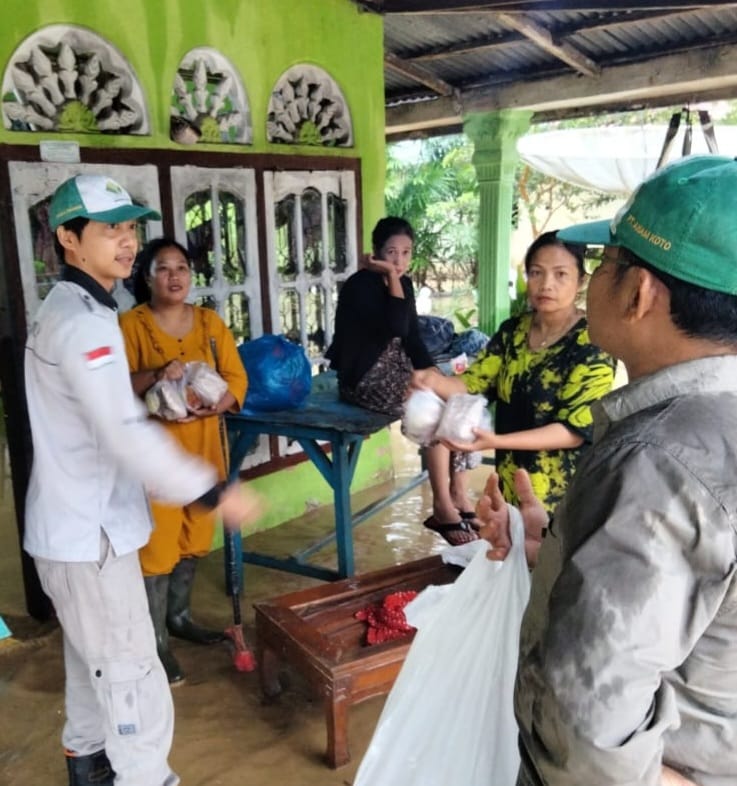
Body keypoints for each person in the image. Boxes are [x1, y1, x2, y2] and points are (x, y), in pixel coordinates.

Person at [478, 155, 737, 786]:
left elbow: (588, 733)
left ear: (639, 292)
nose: (586, 280)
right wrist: (556, 547)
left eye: (602, 264)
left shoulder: (658, 459)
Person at [23, 174, 262, 786]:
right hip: (90, 534)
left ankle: (88, 765)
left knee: (92, 665)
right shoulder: (86, 326)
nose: (127, 242)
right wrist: (212, 490)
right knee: (133, 677)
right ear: (70, 239)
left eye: (130, 227)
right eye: (110, 230)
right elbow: (125, 432)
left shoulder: (76, 307)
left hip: (74, 529)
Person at [412, 231, 615, 545]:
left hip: (563, 495)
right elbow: (474, 383)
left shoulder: (593, 343)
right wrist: (431, 381)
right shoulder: (513, 333)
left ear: (581, 281)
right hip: (511, 486)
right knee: (508, 569)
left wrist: (495, 440)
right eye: (537, 272)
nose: (546, 284)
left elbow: (574, 430)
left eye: (561, 274)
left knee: (549, 579)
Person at [119, 238, 248, 685]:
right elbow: (115, 385)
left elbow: (236, 378)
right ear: (146, 276)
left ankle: (180, 617)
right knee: (158, 548)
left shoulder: (211, 325)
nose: (174, 277)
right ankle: (156, 642)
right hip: (155, 458)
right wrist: (157, 375)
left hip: (203, 449)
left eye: (181, 268)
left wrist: (218, 402)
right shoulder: (130, 326)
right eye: (163, 268)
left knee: (195, 538)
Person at [325, 216, 434, 416]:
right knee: (430, 411)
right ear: (376, 252)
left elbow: (412, 337)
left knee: (447, 400)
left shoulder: (405, 284)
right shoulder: (360, 286)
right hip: (363, 380)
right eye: (391, 252)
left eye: (406, 252)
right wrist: (392, 275)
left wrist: (432, 370)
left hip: (398, 372)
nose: (399, 261)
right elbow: (398, 328)